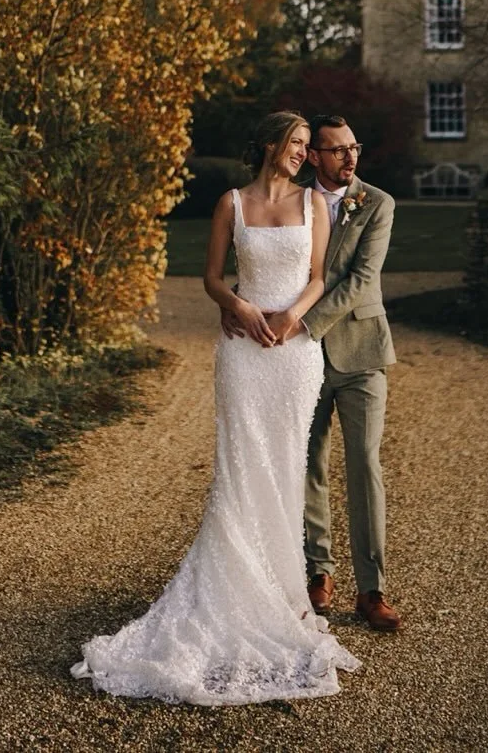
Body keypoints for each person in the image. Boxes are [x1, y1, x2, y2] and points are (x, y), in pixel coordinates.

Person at [71, 111, 360, 705]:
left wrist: (289, 317)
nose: (304, 153)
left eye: (309, 145)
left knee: (286, 469)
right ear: (268, 145)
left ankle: (285, 597)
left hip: (295, 353)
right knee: (238, 470)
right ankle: (230, 592)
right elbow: (209, 278)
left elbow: (317, 278)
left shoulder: (314, 205)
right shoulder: (231, 202)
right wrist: (241, 305)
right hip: (244, 354)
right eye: (295, 143)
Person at [302, 114, 401, 633]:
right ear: (315, 155)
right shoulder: (295, 201)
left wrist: (303, 326)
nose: (350, 158)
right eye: (338, 150)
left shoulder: (378, 203)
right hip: (303, 364)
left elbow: (363, 279)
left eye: (354, 147)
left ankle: (372, 588)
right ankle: (318, 571)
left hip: (361, 352)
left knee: (364, 464)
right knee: (308, 464)